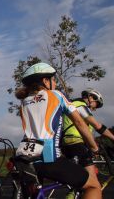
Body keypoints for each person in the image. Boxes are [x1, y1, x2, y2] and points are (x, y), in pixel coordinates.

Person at [15, 62, 101, 199]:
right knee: (93, 186)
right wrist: (94, 146)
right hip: (49, 158)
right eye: (53, 79)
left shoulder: (24, 102)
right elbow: (79, 122)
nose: (55, 83)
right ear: (45, 80)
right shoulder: (56, 95)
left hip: (24, 158)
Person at [61, 89, 114, 189]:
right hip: (76, 144)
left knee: (80, 181)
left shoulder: (71, 105)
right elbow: (97, 126)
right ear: (91, 97)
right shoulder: (79, 105)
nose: (95, 108)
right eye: (96, 104)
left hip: (67, 144)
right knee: (93, 184)